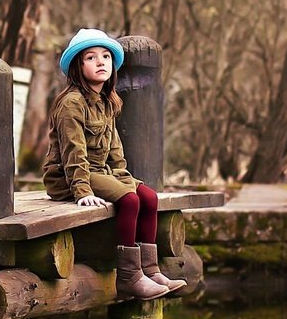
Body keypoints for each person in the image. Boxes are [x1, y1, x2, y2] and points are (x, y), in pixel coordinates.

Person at [42, 28, 185, 300]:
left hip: (101, 172)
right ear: (77, 66)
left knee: (148, 197)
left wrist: (124, 178)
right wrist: (82, 192)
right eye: (91, 58)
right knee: (129, 201)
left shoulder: (108, 101)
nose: (101, 62)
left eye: (106, 56)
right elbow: (74, 151)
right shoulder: (71, 103)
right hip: (69, 176)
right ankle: (129, 278)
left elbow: (114, 150)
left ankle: (151, 270)